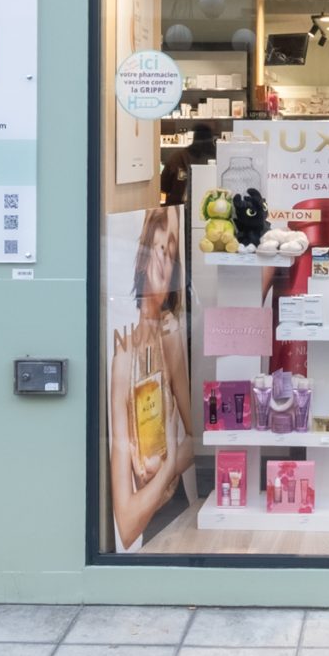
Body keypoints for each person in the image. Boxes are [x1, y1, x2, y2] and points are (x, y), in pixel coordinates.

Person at [107, 204, 193, 549]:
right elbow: (126, 526)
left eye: (172, 253)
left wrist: (171, 465)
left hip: (180, 510)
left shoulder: (169, 336)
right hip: (152, 530)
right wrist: (172, 462)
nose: (165, 261)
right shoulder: (123, 357)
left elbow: (197, 438)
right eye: (160, 249)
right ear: (142, 259)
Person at [159, 123, 216, 208]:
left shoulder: (178, 157)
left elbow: (163, 187)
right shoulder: (217, 157)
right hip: (209, 209)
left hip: (179, 209)